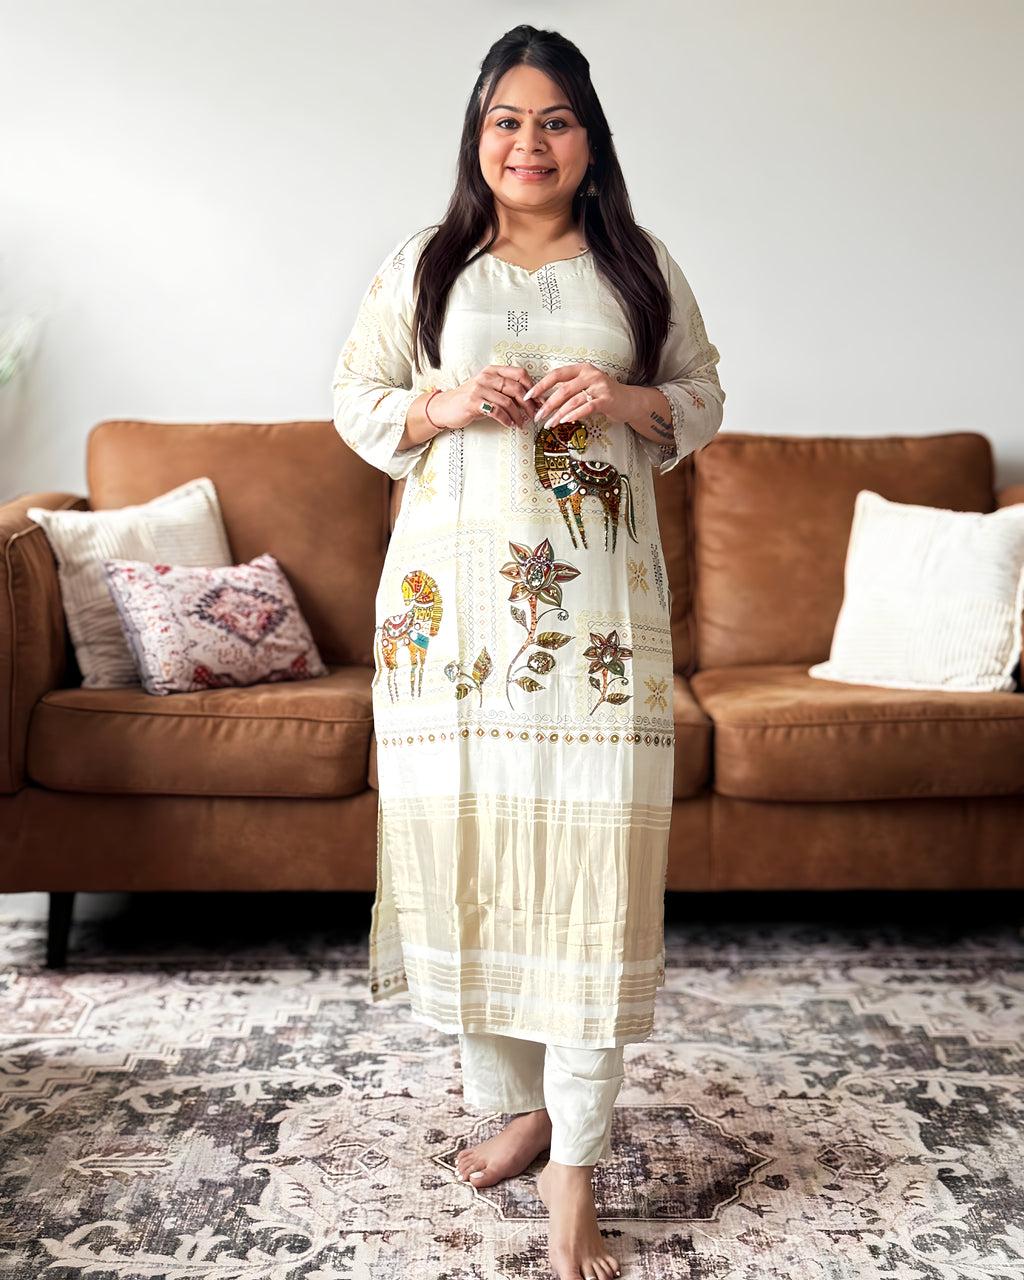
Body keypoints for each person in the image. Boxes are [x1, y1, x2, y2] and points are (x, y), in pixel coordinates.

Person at [332, 25, 723, 1280]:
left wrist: (617, 399)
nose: (529, 142)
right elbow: (355, 395)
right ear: (477, 134)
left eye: (555, 120)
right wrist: (442, 404)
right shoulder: (427, 265)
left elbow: (703, 394)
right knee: (479, 866)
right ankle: (522, 1109)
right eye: (507, 118)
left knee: (591, 892)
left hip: (596, 632)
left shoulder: (637, 268)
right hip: (449, 634)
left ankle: (575, 1180)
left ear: (590, 141)